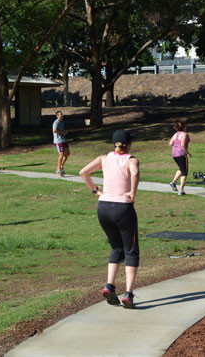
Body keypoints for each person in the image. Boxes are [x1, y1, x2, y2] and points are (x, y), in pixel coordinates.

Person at [79, 129, 140, 309]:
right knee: (131, 250)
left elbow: (83, 172)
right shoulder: (131, 160)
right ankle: (128, 294)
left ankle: (110, 285)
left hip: (103, 207)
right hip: (123, 207)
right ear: (128, 145)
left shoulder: (103, 158)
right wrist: (132, 193)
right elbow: (135, 173)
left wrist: (95, 191)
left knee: (116, 248)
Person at [168, 120, 191, 196]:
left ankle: (173, 182)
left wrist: (176, 146)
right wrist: (187, 153)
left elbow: (170, 143)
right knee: (184, 172)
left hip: (174, 154)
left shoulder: (176, 134)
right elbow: (183, 145)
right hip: (181, 154)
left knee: (181, 168)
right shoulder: (184, 134)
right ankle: (181, 190)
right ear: (183, 127)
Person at [53, 111, 70, 177]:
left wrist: (64, 132)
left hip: (63, 140)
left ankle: (61, 167)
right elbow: (54, 130)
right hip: (58, 141)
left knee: (67, 153)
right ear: (57, 116)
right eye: (61, 114)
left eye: (62, 114)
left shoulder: (62, 122)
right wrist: (62, 133)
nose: (62, 115)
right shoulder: (56, 122)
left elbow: (61, 130)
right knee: (61, 154)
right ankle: (58, 169)